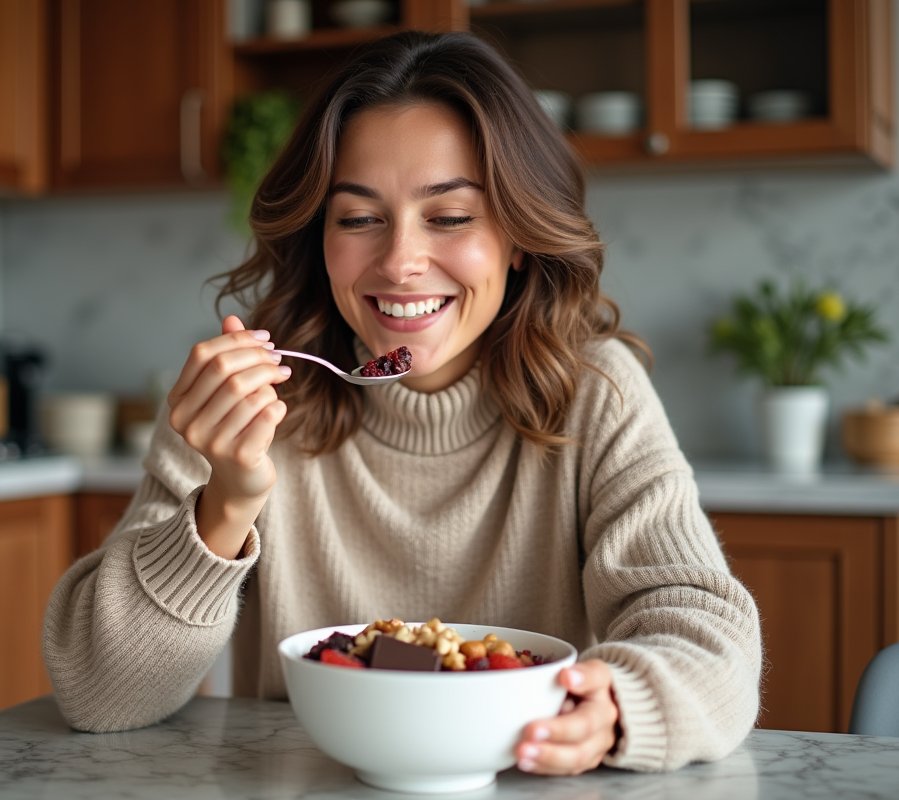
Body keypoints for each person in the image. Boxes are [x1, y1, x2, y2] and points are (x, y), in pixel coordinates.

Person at [43, 30, 762, 775]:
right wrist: (224, 504)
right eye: (358, 219)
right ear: (319, 235)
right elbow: (98, 692)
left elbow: (710, 639)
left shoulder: (595, 391)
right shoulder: (247, 404)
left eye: (449, 217)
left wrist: (619, 704)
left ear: (519, 236)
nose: (399, 263)